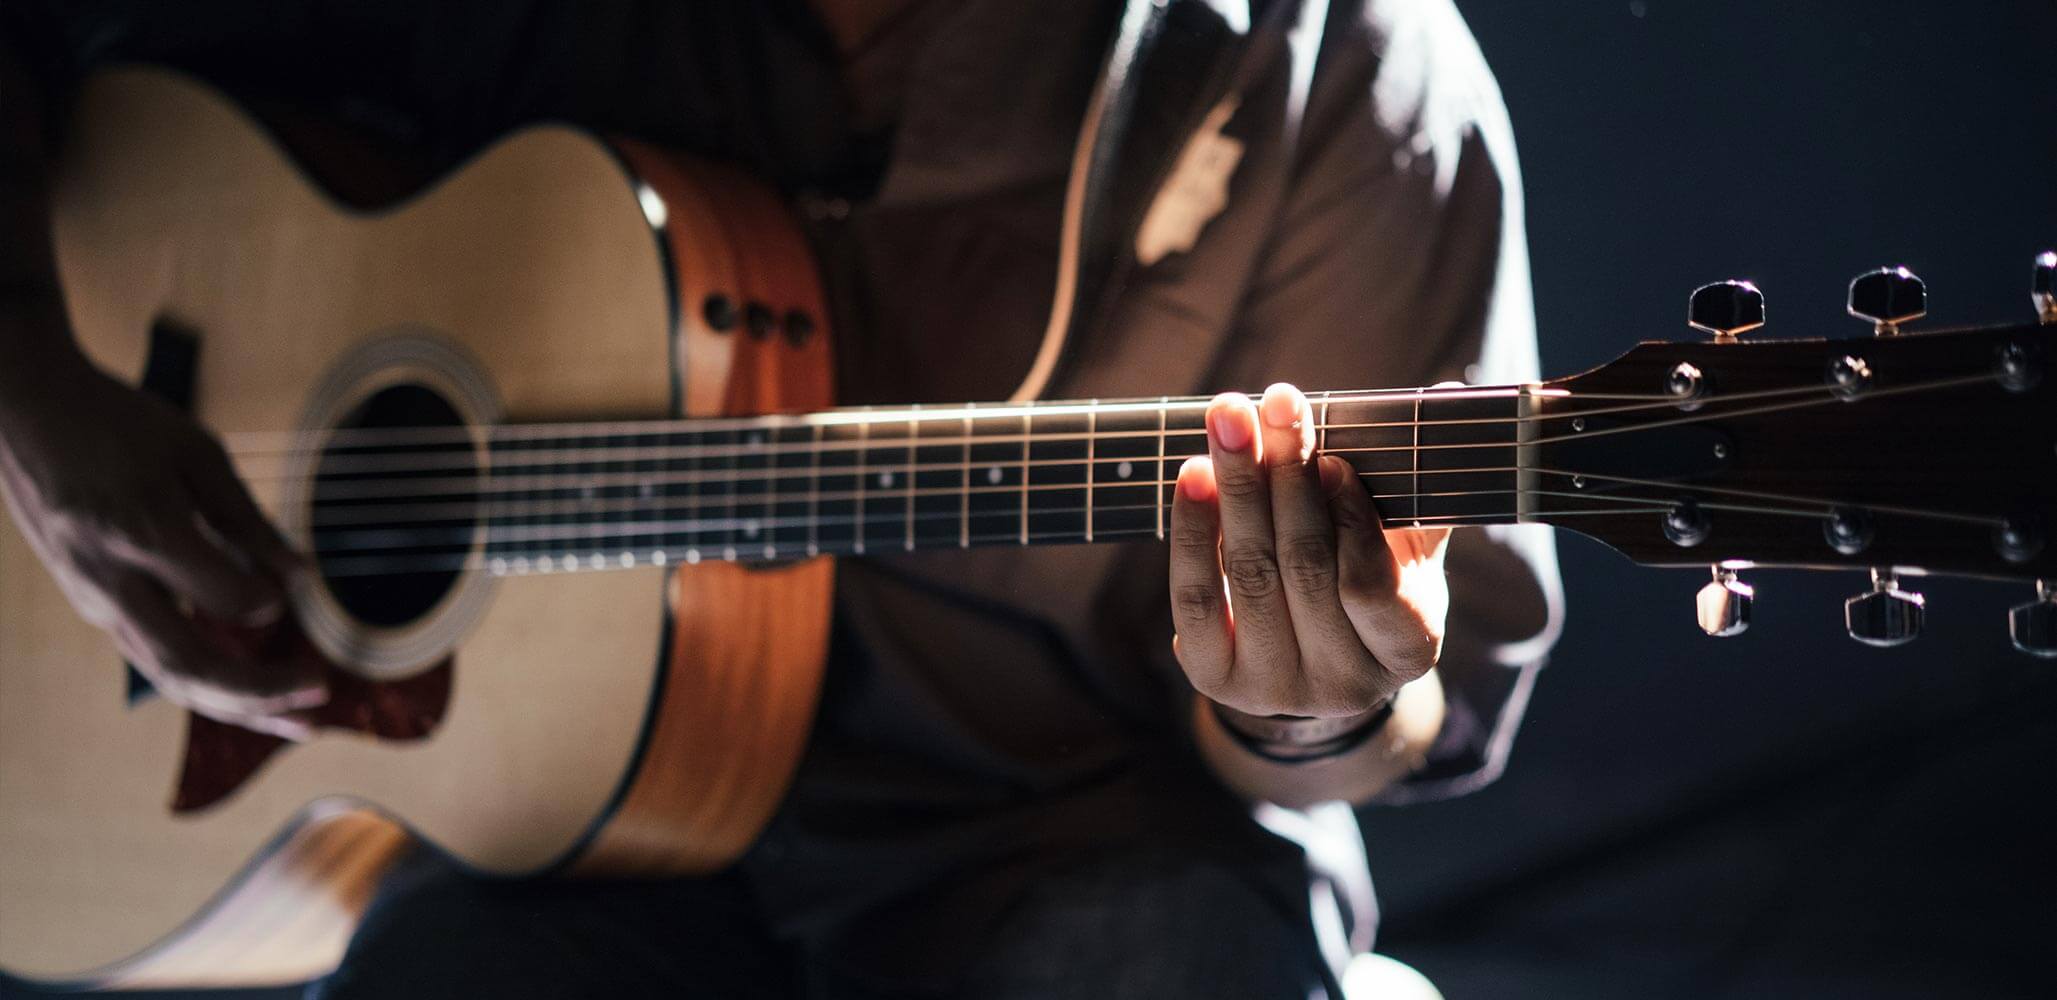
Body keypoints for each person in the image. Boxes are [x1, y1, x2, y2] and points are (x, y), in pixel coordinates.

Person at [0, 1, 1561, 997]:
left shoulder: (1343, 64)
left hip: (1075, 839)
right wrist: (35, 394)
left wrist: (1312, 702)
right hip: (567, 850)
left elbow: (1397, 722)